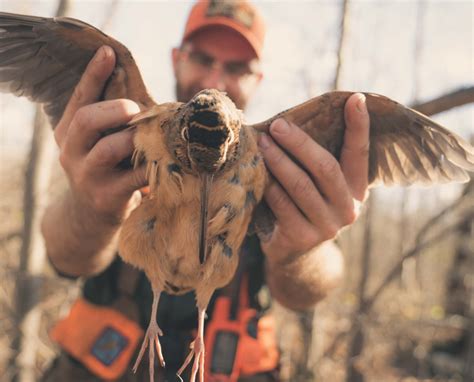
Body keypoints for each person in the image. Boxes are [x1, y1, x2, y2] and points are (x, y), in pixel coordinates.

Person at [40, 1, 370, 381]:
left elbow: (312, 288)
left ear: (258, 79)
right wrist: (90, 209)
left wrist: (302, 251)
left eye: (236, 67)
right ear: (177, 58)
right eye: (202, 57)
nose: (216, 78)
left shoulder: (284, 157)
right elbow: (64, 259)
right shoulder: (130, 128)